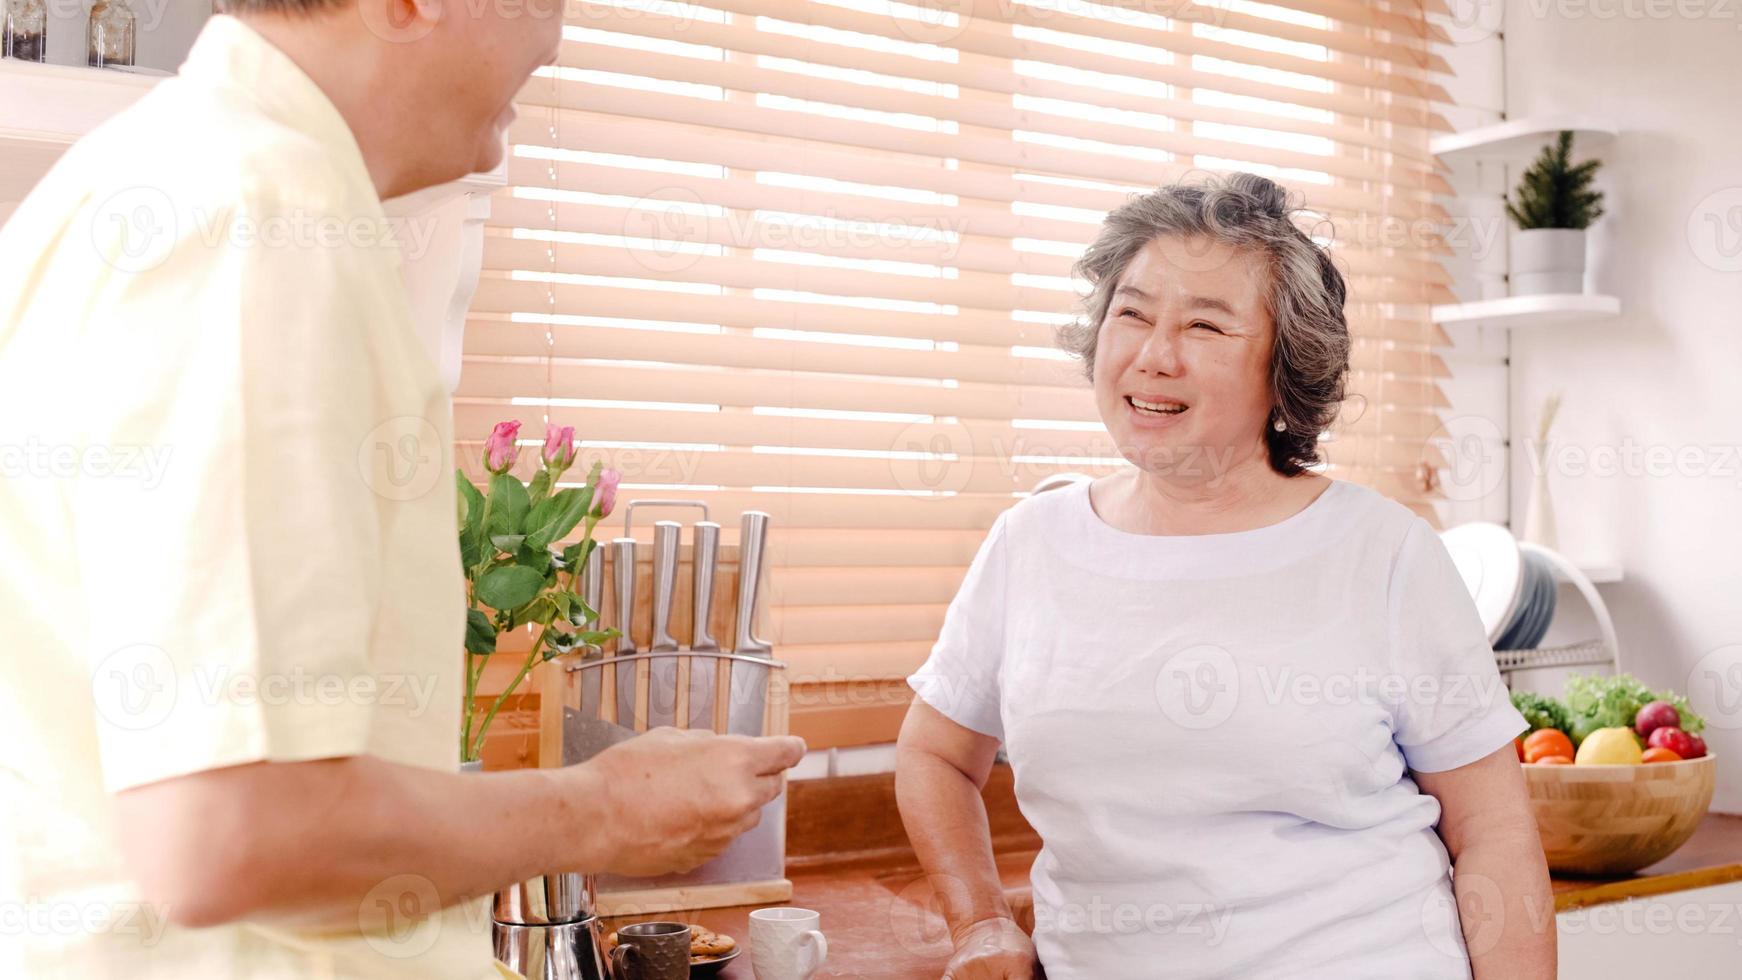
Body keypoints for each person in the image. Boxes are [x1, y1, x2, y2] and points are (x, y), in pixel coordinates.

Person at [0, 2, 804, 977]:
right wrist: (604, 806)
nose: (556, 29)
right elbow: (228, 832)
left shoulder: (142, 182)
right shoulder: (260, 211)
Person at [895, 173, 1555, 979]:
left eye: (1206, 326)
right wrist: (979, 926)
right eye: (1131, 313)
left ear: (1286, 372)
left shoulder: (1381, 552)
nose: (1154, 355)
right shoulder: (1030, 543)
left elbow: (1492, 828)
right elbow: (935, 755)